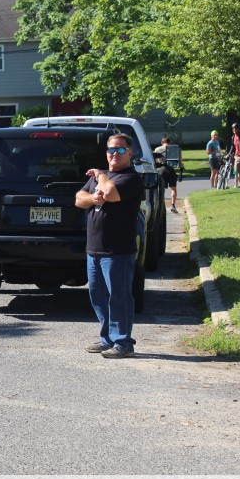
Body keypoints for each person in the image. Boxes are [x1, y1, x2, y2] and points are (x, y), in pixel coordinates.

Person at [75, 133, 144, 359]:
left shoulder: (131, 178)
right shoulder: (100, 177)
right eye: (111, 150)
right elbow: (79, 199)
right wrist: (94, 198)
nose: (115, 154)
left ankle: (123, 342)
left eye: (120, 150)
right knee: (98, 297)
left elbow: (111, 194)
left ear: (130, 153)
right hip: (94, 249)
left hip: (117, 251)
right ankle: (107, 339)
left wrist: (101, 177)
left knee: (119, 297)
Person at [153, 135, 181, 213]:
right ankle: (173, 205)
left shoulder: (157, 149)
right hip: (171, 170)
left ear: (162, 142)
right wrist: (181, 168)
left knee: (161, 189)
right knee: (173, 188)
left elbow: (155, 160)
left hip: (162, 170)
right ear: (169, 142)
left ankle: (161, 206)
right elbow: (180, 161)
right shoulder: (176, 148)